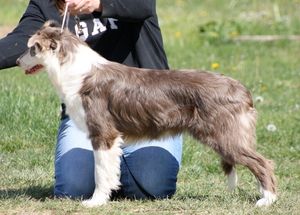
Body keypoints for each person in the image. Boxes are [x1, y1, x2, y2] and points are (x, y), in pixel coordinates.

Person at [0, 0, 183, 200]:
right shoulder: (47, 3)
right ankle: (111, 166)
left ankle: (119, 167)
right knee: (73, 190)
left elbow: (143, 6)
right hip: (86, 114)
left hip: (149, 107)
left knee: (151, 186)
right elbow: (21, 39)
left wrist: (99, 3)